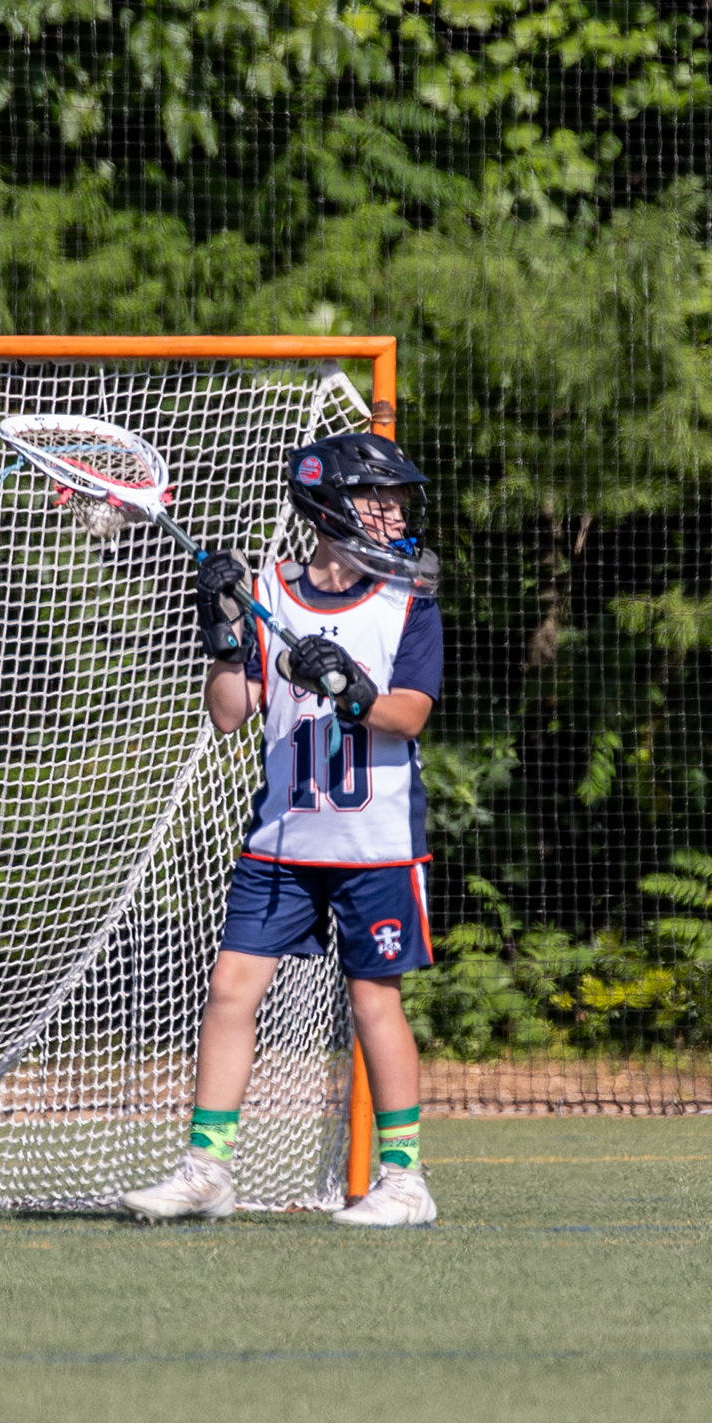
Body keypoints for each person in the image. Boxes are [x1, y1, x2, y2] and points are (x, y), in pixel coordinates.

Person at [125, 431, 448, 1228]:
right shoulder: (270, 590)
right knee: (231, 990)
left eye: (398, 502)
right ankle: (206, 1170)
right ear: (330, 506)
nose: (395, 514)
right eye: (379, 500)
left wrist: (347, 688)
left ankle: (404, 1180)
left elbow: (409, 716)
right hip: (282, 843)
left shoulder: (407, 600)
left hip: (375, 845)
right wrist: (225, 634)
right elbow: (230, 714)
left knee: (374, 1002)